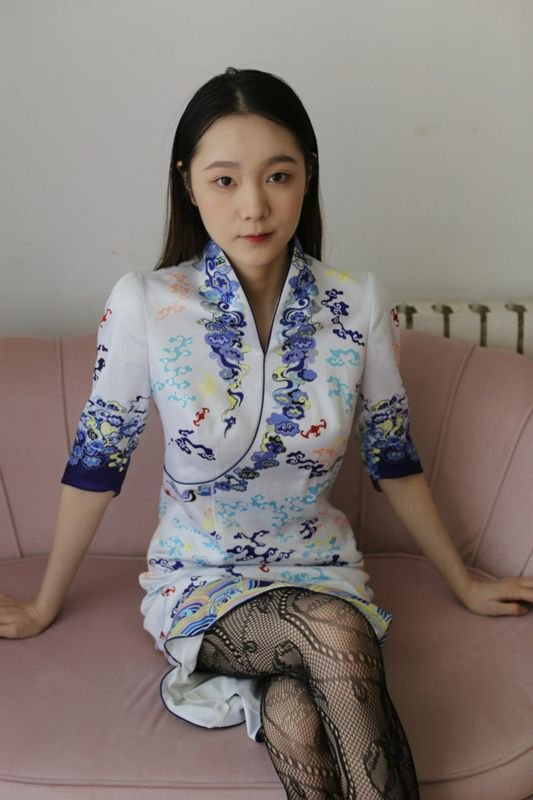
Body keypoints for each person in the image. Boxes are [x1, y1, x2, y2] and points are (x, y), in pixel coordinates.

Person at [1, 67, 532, 800]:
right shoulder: (146, 303)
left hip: (321, 567)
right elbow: (98, 462)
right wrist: (42, 604)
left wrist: (463, 581)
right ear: (188, 184)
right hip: (199, 575)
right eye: (224, 180)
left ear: (307, 177)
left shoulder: (357, 301)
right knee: (333, 634)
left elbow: (394, 458)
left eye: (278, 176)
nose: (253, 205)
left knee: (298, 714)